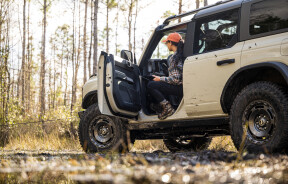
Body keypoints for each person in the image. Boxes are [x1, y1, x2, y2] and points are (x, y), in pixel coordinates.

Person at [147, 32, 184, 120]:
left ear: (171, 43)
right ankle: (160, 107)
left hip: (180, 88)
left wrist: (160, 78)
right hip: (184, 86)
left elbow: (175, 80)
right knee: (161, 84)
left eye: (167, 43)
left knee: (151, 85)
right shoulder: (182, 55)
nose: (167, 45)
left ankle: (168, 108)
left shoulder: (174, 58)